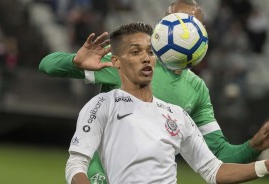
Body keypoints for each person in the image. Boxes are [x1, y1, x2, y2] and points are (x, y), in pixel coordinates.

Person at [39, 0, 269, 183]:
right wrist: (74, 62)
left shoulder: (196, 90)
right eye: (173, 21)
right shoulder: (130, 63)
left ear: (201, 34)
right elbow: (48, 65)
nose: (180, 29)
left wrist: (254, 146)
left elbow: (217, 159)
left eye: (188, 24)